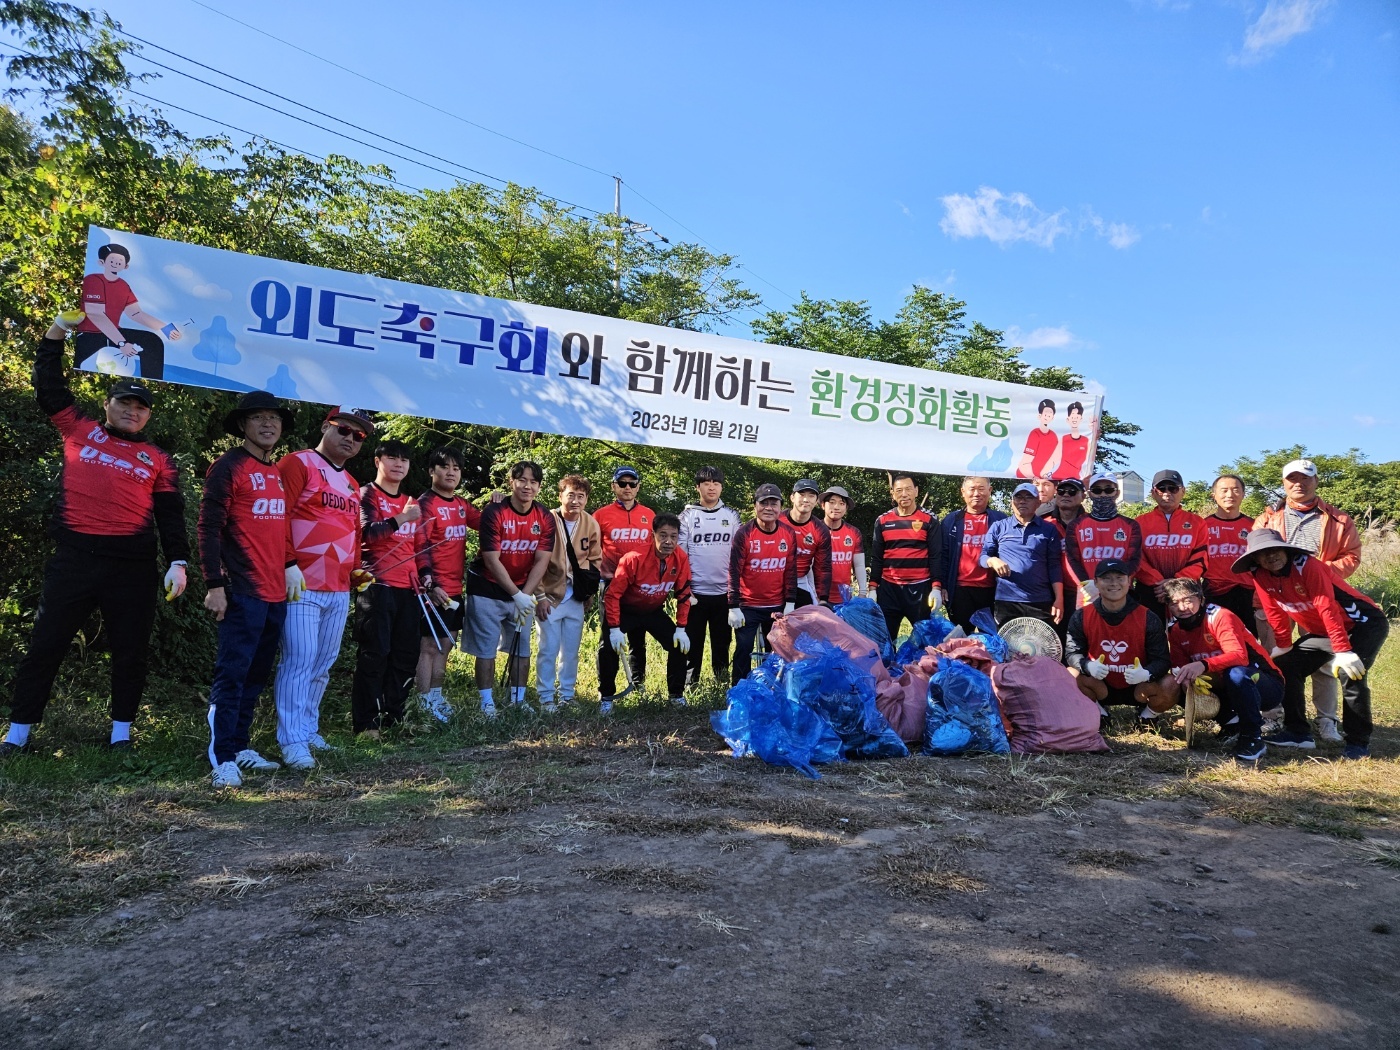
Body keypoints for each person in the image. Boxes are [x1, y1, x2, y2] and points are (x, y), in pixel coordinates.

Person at [2, 316, 190, 759]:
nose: (133, 411)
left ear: (148, 415)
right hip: (75, 557)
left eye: (141, 407)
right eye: (125, 402)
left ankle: (121, 734)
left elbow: (171, 515)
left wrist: (179, 561)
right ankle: (17, 735)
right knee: (46, 644)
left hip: (133, 566)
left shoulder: (158, 458)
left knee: (130, 651)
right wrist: (55, 333)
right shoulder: (78, 429)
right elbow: (48, 387)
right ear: (108, 404)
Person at [199, 391, 296, 787]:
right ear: (243, 425)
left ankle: (240, 746)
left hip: (274, 592)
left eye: (273, 417)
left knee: (256, 675)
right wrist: (214, 584)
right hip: (241, 589)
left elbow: (277, 529)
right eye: (258, 417)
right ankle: (221, 757)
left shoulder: (274, 472)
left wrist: (289, 567)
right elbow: (208, 528)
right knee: (232, 673)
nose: (268, 424)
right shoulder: (228, 466)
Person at [273, 407, 373, 770]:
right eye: (344, 429)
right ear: (325, 427)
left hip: (338, 587)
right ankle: (291, 740)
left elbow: (354, 531)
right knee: (299, 661)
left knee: (322, 664)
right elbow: (277, 515)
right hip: (301, 583)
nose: (350, 438)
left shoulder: (350, 482)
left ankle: (309, 728)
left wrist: (357, 569)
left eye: (359, 435)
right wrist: (286, 564)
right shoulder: (297, 464)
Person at [1233, 528, 1388, 759]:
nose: (1270, 556)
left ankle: (1358, 742)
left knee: (1350, 672)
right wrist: (1283, 645)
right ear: (1254, 558)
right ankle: (1297, 733)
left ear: (1286, 550)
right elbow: (1274, 610)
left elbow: (1327, 607)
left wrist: (1343, 650)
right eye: (1262, 553)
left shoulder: (1308, 566)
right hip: (1324, 631)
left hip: (1363, 624)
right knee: (1286, 665)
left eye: (1275, 550)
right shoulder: (1260, 574)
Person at [1253, 458, 1363, 745]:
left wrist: (1320, 576)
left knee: (1325, 660)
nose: (1298, 484)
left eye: (1305, 479)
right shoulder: (1267, 518)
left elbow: (1351, 555)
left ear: (1315, 482)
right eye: (1292, 479)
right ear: (1284, 483)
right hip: (1279, 596)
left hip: (1318, 597)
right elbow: (1257, 556)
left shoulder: (1338, 519)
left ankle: (1327, 721)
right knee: (1278, 654)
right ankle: (1274, 715)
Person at [464, 461, 555, 717]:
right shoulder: (495, 512)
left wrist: (525, 595)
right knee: (486, 648)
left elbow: (542, 560)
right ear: (511, 482)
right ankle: (486, 702)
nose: (527, 486)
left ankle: (518, 700)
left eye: (533, 482)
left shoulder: (545, 517)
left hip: (522, 589)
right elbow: (492, 559)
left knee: (522, 647)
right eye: (522, 480)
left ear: (538, 486)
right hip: (486, 588)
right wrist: (516, 595)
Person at [352, 440, 426, 738]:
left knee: (405, 656)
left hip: (407, 590)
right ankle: (365, 724)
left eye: (404, 460)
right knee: (375, 654)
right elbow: (368, 533)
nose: (399, 464)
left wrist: (424, 578)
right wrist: (402, 518)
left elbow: (417, 546)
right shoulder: (366, 494)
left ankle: (394, 717)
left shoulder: (410, 499)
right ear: (377, 461)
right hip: (376, 586)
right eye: (392, 458)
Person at [1161, 577, 1279, 764]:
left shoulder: (1220, 616)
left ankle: (1253, 737)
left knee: (1237, 674)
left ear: (1201, 598)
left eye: (1187, 600)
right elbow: (1180, 666)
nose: (1182, 607)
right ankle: (1232, 724)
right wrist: (1185, 681)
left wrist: (1203, 664)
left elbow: (1240, 656)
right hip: (1224, 683)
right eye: (1174, 603)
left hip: (1264, 683)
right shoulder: (1175, 630)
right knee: (1180, 681)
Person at [413, 447, 481, 723]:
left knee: (446, 644)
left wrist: (502, 503)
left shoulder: (461, 505)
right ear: (432, 471)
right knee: (428, 646)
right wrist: (430, 583)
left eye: (456, 468)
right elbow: (419, 546)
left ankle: (436, 696)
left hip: (455, 588)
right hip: (434, 589)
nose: (451, 472)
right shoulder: (425, 504)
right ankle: (422, 700)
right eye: (444, 467)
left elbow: (488, 523)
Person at [1063, 560, 1173, 726]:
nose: (1114, 583)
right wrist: (1087, 666)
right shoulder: (1081, 616)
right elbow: (1072, 653)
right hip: (1100, 683)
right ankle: (1098, 711)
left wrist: (1147, 673)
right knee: (1069, 675)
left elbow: (1162, 660)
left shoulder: (1148, 617)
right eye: (1106, 578)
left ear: (1129, 582)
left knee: (1171, 683)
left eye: (1120, 578)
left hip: (1138, 686)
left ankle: (1148, 717)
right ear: (1096, 583)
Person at [602, 513, 692, 712]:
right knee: (607, 647)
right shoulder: (634, 558)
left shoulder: (681, 558)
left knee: (679, 645)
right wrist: (615, 627)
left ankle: (676, 695)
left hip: (652, 610)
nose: (668, 541)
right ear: (653, 535)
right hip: (625, 610)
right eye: (663, 535)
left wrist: (681, 627)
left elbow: (684, 594)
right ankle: (606, 697)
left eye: (674, 536)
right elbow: (612, 595)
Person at [535, 474, 601, 713]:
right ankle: (545, 697)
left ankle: (567, 695)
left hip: (576, 595)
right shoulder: (547, 520)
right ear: (560, 496)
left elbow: (595, 560)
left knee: (570, 651)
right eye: (571, 495)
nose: (576, 501)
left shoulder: (590, 523)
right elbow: (535, 560)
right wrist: (539, 595)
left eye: (581, 496)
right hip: (549, 595)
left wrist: (589, 592)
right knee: (548, 648)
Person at [72, 243, 182, 380]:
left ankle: (151, 381)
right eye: (112, 260)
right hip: (90, 335)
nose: (115, 264)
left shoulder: (123, 285)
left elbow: (136, 313)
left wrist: (165, 328)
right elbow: (96, 314)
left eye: (120, 262)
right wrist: (122, 343)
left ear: (126, 266)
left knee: (152, 341)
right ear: (102, 262)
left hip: (114, 333)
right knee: (83, 365)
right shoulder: (93, 280)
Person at [593, 466, 655, 702]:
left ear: (638, 486)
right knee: (608, 639)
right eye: (622, 483)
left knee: (638, 639)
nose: (627, 488)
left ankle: (638, 686)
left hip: (640, 586)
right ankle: (605, 691)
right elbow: (592, 548)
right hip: (610, 583)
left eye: (632, 483)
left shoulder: (649, 515)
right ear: (614, 486)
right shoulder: (600, 515)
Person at [727, 484, 798, 685]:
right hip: (748, 606)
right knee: (743, 648)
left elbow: (790, 570)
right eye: (763, 503)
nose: (768, 508)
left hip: (776, 606)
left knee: (777, 651)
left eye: (773, 503)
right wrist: (733, 606)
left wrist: (790, 602)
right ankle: (739, 690)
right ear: (755, 506)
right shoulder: (744, 534)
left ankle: (774, 689)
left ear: (781, 506)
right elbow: (734, 571)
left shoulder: (788, 534)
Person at [678, 466, 737, 688]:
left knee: (722, 641)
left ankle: (721, 682)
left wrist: (735, 590)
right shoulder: (686, 516)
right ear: (698, 487)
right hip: (696, 594)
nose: (711, 487)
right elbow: (680, 556)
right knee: (693, 642)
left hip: (724, 592)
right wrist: (685, 588)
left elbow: (738, 555)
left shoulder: (731, 516)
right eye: (706, 483)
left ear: (721, 487)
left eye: (716, 483)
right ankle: (690, 685)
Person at [867, 474, 943, 641]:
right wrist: (873, 588)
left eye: (908, 489)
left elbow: (936, 556)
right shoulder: (882, 521)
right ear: (892, 493)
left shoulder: (930, 520)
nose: (904, 494)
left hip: (920, 590)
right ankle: (886, 667)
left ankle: (918, 667)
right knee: (885, 640)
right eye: (899, 490)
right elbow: (877, 557)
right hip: (889, 589)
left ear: (916, 491)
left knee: (923, 642)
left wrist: (936, 588)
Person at [980, 483, 1064, 628]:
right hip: (1007, 600)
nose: (1022, 501)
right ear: (1012, 502)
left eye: (1028, 497)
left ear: (1038, 503)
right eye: (1018, 497)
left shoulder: (1049, 529)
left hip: (1040, 600)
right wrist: (992, 560)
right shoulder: (999, 527)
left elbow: (1054, 566)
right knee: (1008, 648)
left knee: (1039, 648)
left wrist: (1059, 598)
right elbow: (983, 557)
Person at [1134, 469, 1207, 624]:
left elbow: (1201, 558)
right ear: (1153, 493)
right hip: (1152, 589)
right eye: (1162, 489)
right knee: (1150, 637)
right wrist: (1159, 582)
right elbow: (1136, 557)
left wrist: (1175, 582)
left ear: (1183, 492)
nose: (1167, 493)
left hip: (1186, 588)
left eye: (1173, 488)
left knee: (1190, 636)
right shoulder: (1140, 522)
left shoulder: (1197, 522)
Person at [938, 476, 1007, 632]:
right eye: (972, 489)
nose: (977, 493)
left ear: (990, 491)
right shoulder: (951, 520)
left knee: (991, 639)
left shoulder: (1001, 520)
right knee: (961, 638)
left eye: (981, 489)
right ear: (963, 492)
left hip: (991, 590)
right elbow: (943, 556)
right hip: (960, 590)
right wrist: (942, 585)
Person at [1065, 473, 1142, 609]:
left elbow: (1134, 560)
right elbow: (1072, 560)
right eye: (1097, 490)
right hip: (1088, 592)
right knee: (1086, 628)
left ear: (1117, 493)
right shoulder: (1076, 525)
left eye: (1108, 490)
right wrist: (1088, 584)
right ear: (1090, 494)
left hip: (1120, 591)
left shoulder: (1131, 525)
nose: (1103, 495)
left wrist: (1117, 583)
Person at [1202, 475, 1258, 634]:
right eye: (1224, 490)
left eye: (1235, 490)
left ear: (1243, 494)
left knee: (1250, 640)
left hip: (1248, 592)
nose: (1230, 495)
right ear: (1214, 495)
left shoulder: (1254, 525)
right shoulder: (1202, 526)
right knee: (1215, 638)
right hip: (1214, 591)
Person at [782, 479, 832, 608]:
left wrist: (823, 598)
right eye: (802, 494)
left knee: (806, 624)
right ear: (792, 497)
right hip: (772, 580)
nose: (806, 499)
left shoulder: (820, 529)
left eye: (811, 496)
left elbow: (823, 567)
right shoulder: (777, 520)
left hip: (800, 581)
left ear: (816, 501)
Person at [820, 486, 865, 606]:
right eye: (832, 502)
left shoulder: (854, 532)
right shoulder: (814, 529)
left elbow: (859, 565)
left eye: (841, 503)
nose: (836, 507)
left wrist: (863, 592)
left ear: (846, 508)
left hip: (844, 598)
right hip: (817, 596)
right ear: (823, 505)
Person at [1050, 401, 1092, 481]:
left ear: (1081, 419)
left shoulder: (1086, 440)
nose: (1074, 419)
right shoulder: (1064, 439)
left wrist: (1094, 438)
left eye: (1077, 417)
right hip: (1059, 478)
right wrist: (1044, 473)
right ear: (1068, 419)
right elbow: (1054, 459)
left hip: (1077, 480)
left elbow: (1089, 460)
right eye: (1072, 417)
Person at [1016, 399, 1058, 479]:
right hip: (1028, 476)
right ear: (1039, 415)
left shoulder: (1053, 435)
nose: (1047, 416)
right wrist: (1033, 477)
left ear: (1052, 417)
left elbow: (1054, 460)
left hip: (1045, 477)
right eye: (1045, 413)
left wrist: (1046, 475)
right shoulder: (1035, 434)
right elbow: (1025, 463)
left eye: (1050, 414)